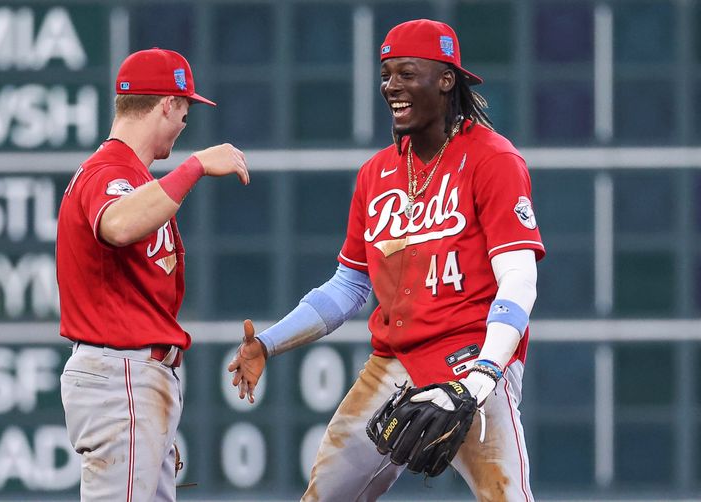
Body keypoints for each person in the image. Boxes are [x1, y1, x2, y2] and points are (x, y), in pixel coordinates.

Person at [229, 19, 544, 501]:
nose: (391, 86)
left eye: (406, 73)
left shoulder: (492, 159)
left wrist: (485, 373)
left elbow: (519, 277)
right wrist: (268, 344)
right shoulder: (377, 173)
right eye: (386, 74)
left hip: (468, 361)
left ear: (445, 79)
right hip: (392, 360)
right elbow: (349, 285)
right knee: (324, 496)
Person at [57, 48, 248, 502]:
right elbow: (118, 224)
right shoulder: (111, 170)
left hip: (131, 376)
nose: (185, 122)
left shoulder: (133, 175)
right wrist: (196, 165)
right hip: (120, 372)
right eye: (185, 108)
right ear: (167, 103)